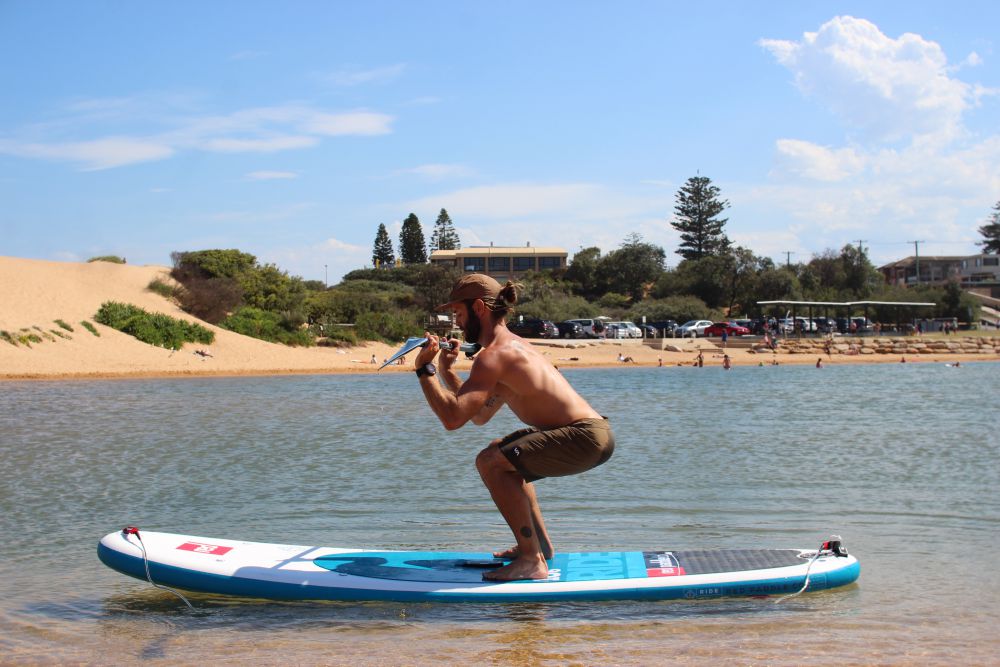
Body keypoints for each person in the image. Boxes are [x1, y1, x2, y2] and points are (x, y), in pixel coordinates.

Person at [413, 274, 615, 582]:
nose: (455, 321)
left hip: (585, 437)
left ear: (479, 308)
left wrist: (424, 371)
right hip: (594, 434)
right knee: (500, 452)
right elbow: (477, 414)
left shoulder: (495, 355)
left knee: (490, 462)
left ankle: (531, 560)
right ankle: (540, 549)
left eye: (458, 312)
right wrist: (444, 370)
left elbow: (452, 419)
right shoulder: (514, 347)